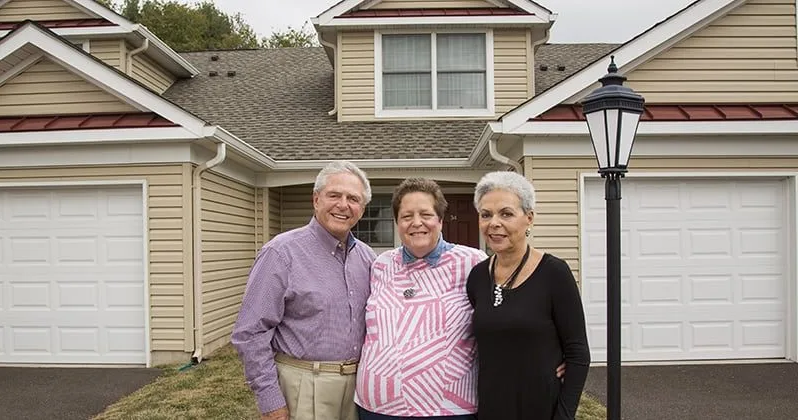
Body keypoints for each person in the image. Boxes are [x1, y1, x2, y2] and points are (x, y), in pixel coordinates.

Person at [232, 160, 377, 420]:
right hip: (304, 385)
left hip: (358, 390)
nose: (343, 205)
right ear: (316, 199)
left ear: (362, 209)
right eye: (334, 195)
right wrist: (270, 400)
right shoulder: (281, 253)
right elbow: (251, 332)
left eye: (353, 199)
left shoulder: (367, 258)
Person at [354, 178, 487, 419]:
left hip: (448, 409)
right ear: (397, 223)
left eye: (426, 214)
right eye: (407, 216)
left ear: (440, 220)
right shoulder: (381, 264)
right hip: (377, 407)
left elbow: (505, 315)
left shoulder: (473, 262)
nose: (417, 223)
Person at [466, 171, 590, 420]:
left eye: (506, 214)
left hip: (542, 408)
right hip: (491, 408)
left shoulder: (554, 273)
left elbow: (578, 353)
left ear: (529, 218)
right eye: (486, 214)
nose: (494, 223)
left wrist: (563, 416)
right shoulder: (477, 276)